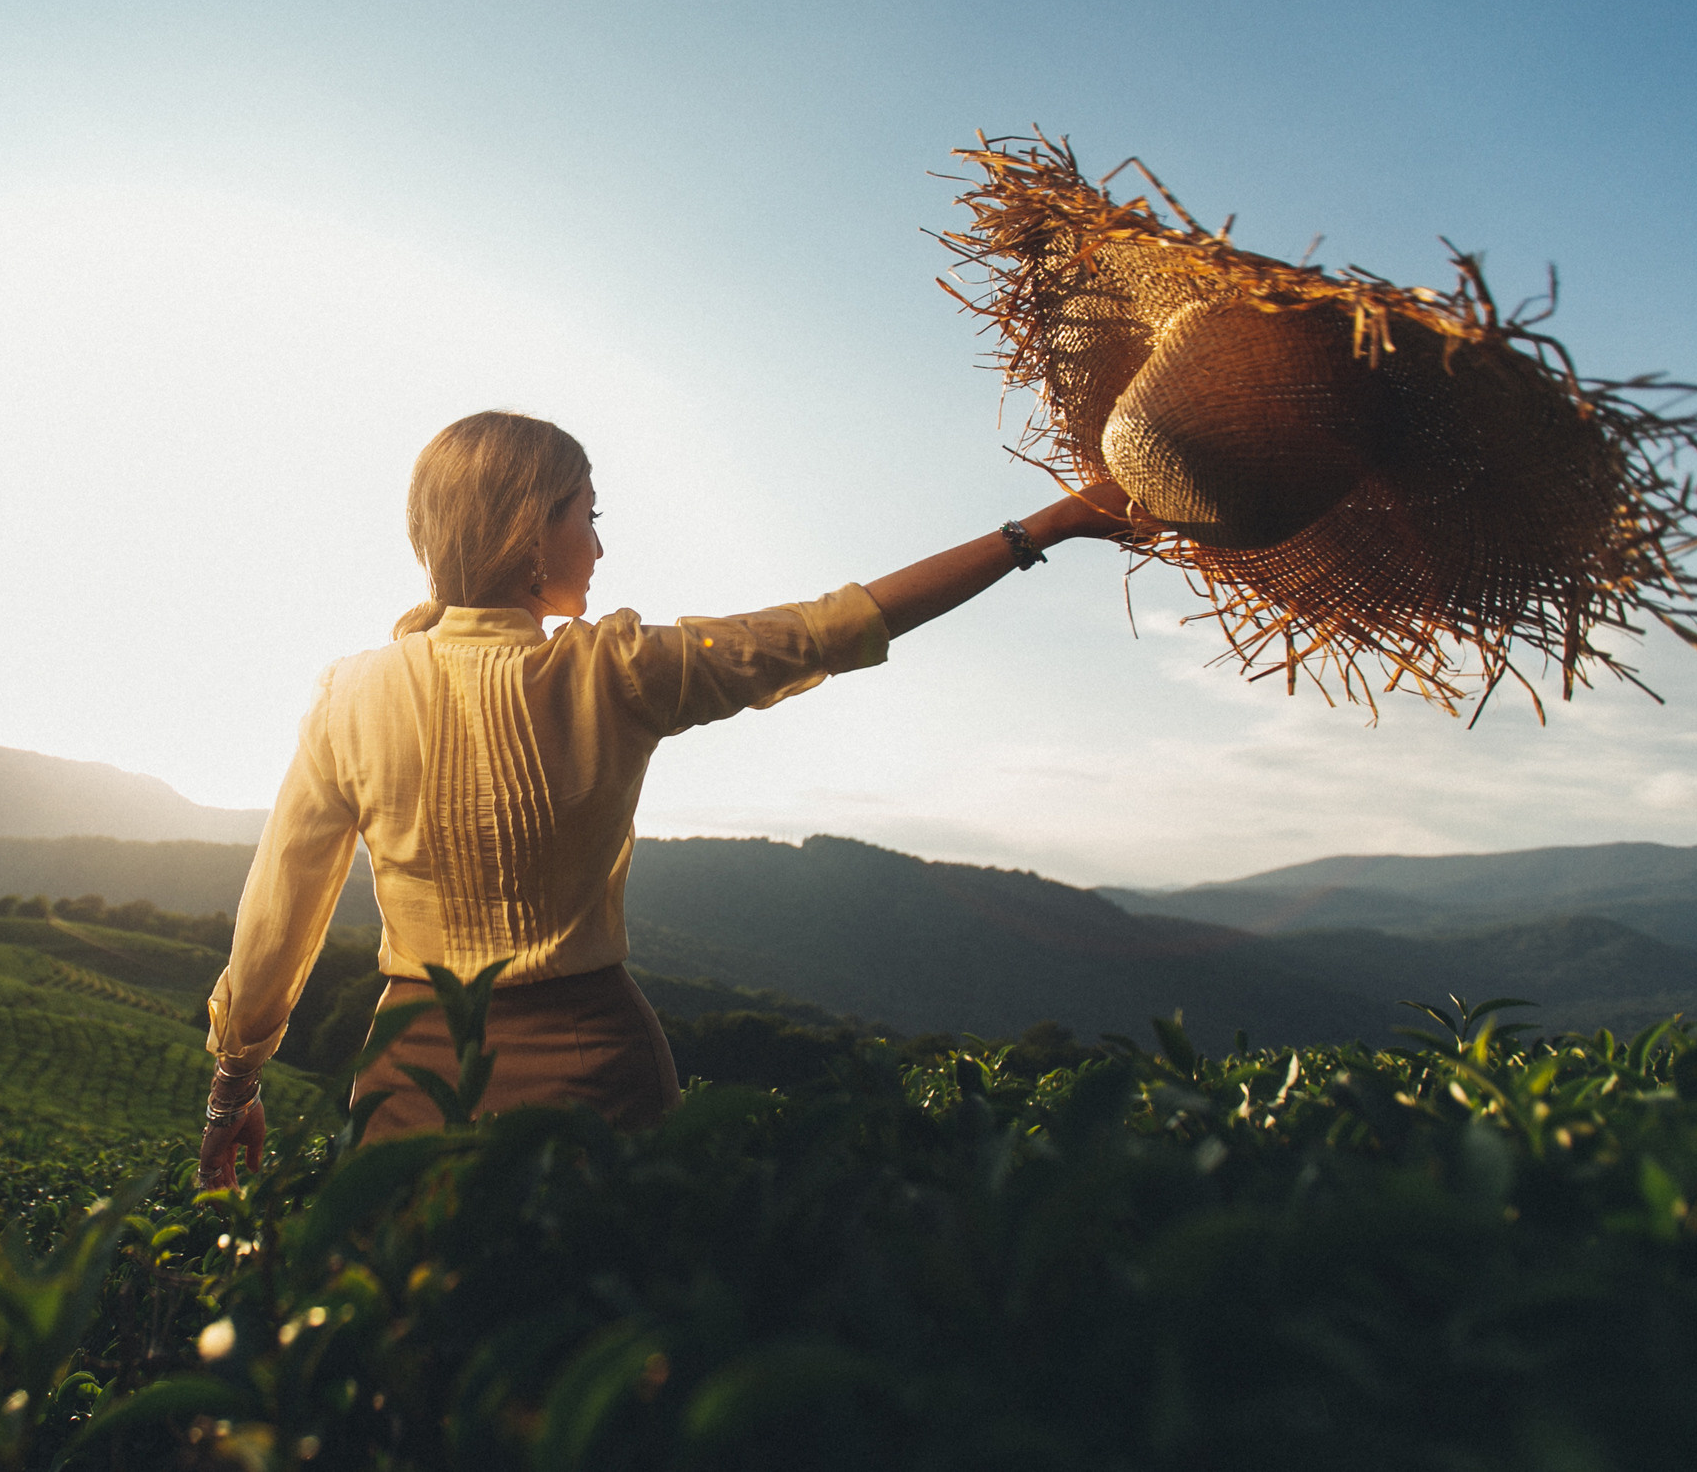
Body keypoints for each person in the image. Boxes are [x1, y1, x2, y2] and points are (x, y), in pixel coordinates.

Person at [199, 410, 1136, 1188]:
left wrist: (234, 1082)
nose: (599, 543)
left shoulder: (346, 693)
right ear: (532, 535)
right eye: (588, 515)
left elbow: (281, 901)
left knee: (421, 1363)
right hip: (593, 1070)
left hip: (411, 1076)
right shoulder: (617, 668)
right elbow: (836, 626)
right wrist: (1039, 529)